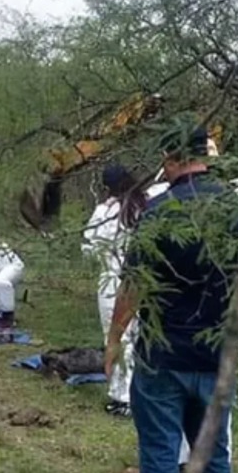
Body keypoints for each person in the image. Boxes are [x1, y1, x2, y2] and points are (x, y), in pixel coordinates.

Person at [107, 126, 238, 473]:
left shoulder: (159, 210)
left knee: (158, 450)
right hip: (216, 352)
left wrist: (113, 337)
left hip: (163, 354)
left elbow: (133, 283)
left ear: (171, 157)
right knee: (212, 451)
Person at [81, 164, 146, 417]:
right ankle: (133, 392)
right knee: (137, 335)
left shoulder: (105, 211)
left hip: (112, 279)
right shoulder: (145, 204)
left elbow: (90, 246)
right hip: (143, 280)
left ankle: (123, 397)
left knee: (117, 335)